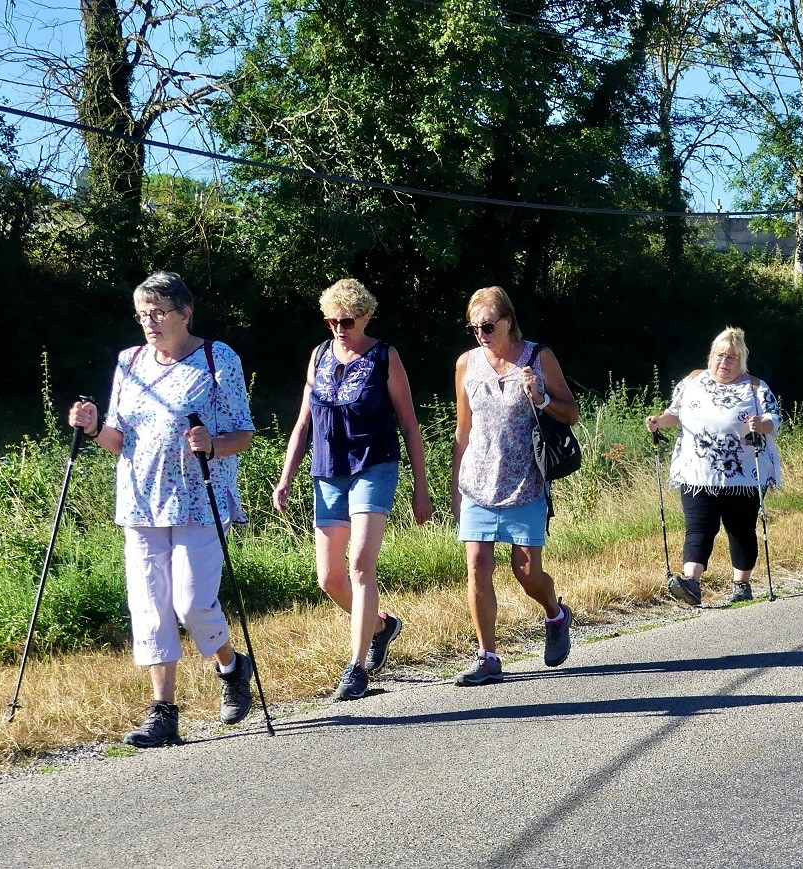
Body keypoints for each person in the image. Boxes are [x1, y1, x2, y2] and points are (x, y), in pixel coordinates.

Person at [67, 271, 256, 747]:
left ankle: (232, 668)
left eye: (158, 313)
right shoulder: (129, 361)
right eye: (142, 314)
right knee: (150, 608)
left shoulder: (217, 358)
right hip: (141, 500)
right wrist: (91, 429)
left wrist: (212, 444)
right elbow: (118, 437)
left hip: (199, 499)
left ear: (185, 313)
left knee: (192, 603)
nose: (148, 322)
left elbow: (244, 434)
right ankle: (163, 713)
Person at [272, 279, 432, 702]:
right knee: (329, 578)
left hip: (374, 466)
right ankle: (380, 626)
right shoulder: (319, 355)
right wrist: (285, 477)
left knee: (361, 564)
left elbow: (410, 424)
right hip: (327, 471)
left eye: (347, 320)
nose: (339, 328)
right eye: (331, 320)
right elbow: (303, 422)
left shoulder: (385, 356)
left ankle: (356, 667)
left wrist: (422, 487)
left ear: (365, 316)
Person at [451, 286, 577, 685]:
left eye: (487, 325)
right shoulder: (466, 364)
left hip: (525, 481)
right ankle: (487, 657)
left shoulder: (539, 357)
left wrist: (540, 399)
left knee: (526, 573)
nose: (481, 333)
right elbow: (463, 429)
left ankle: (556, 614)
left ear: (507, 321)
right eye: (473, 327)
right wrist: (454, 488)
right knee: (477, 568)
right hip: (477, 483)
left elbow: (571, 412)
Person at [645, 327, 782, 605]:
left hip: (744, 473)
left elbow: (774, 420)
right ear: (711, 356)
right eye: (720, 356)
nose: (725, 362)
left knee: (740, 528)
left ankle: (741, 584)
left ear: (741, 359)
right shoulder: (694, 380)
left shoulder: (755, 387)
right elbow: (676, 413)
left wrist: (761, 425)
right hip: (697, 470)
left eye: (732, 357)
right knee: (698, 527)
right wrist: (658, 421)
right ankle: (691, 583)